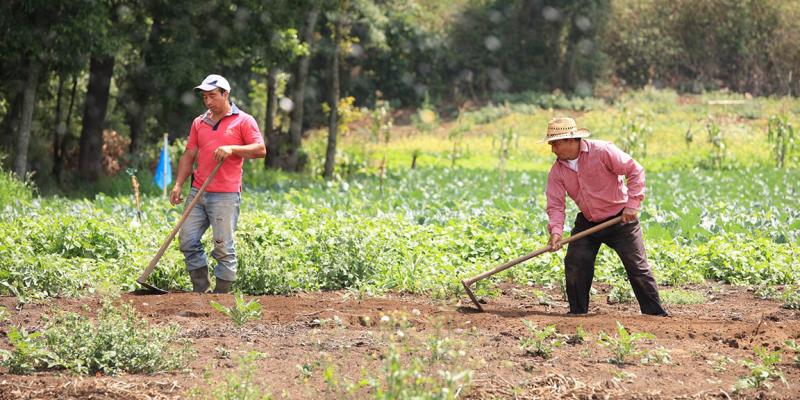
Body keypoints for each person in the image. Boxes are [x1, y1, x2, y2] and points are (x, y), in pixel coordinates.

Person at [543, 117, 667, 316]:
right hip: (588, 221)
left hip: (620, 220)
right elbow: (556, 205)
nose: (553, 150)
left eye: (555, 144)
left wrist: (632, 205)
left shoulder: (602, 151)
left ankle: (655, 314)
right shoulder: (557, 171)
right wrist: (556, 232)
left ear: (570, 140)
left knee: (637, 266)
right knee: (575, 262)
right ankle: (577, 313)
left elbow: (635, 171)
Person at [170, 74, 266, 293]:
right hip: (198, 191)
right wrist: (178, 185)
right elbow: (189, 154)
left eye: (212, 96)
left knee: (223, 247)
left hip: (225, 195)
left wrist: (233, 149)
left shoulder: (244, 121)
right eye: (204, 97)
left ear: (226, 94)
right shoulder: (199, 122)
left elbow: (260, 149)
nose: (208, 102)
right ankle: (201, 289)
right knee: (187, 240)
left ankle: (222, 296)